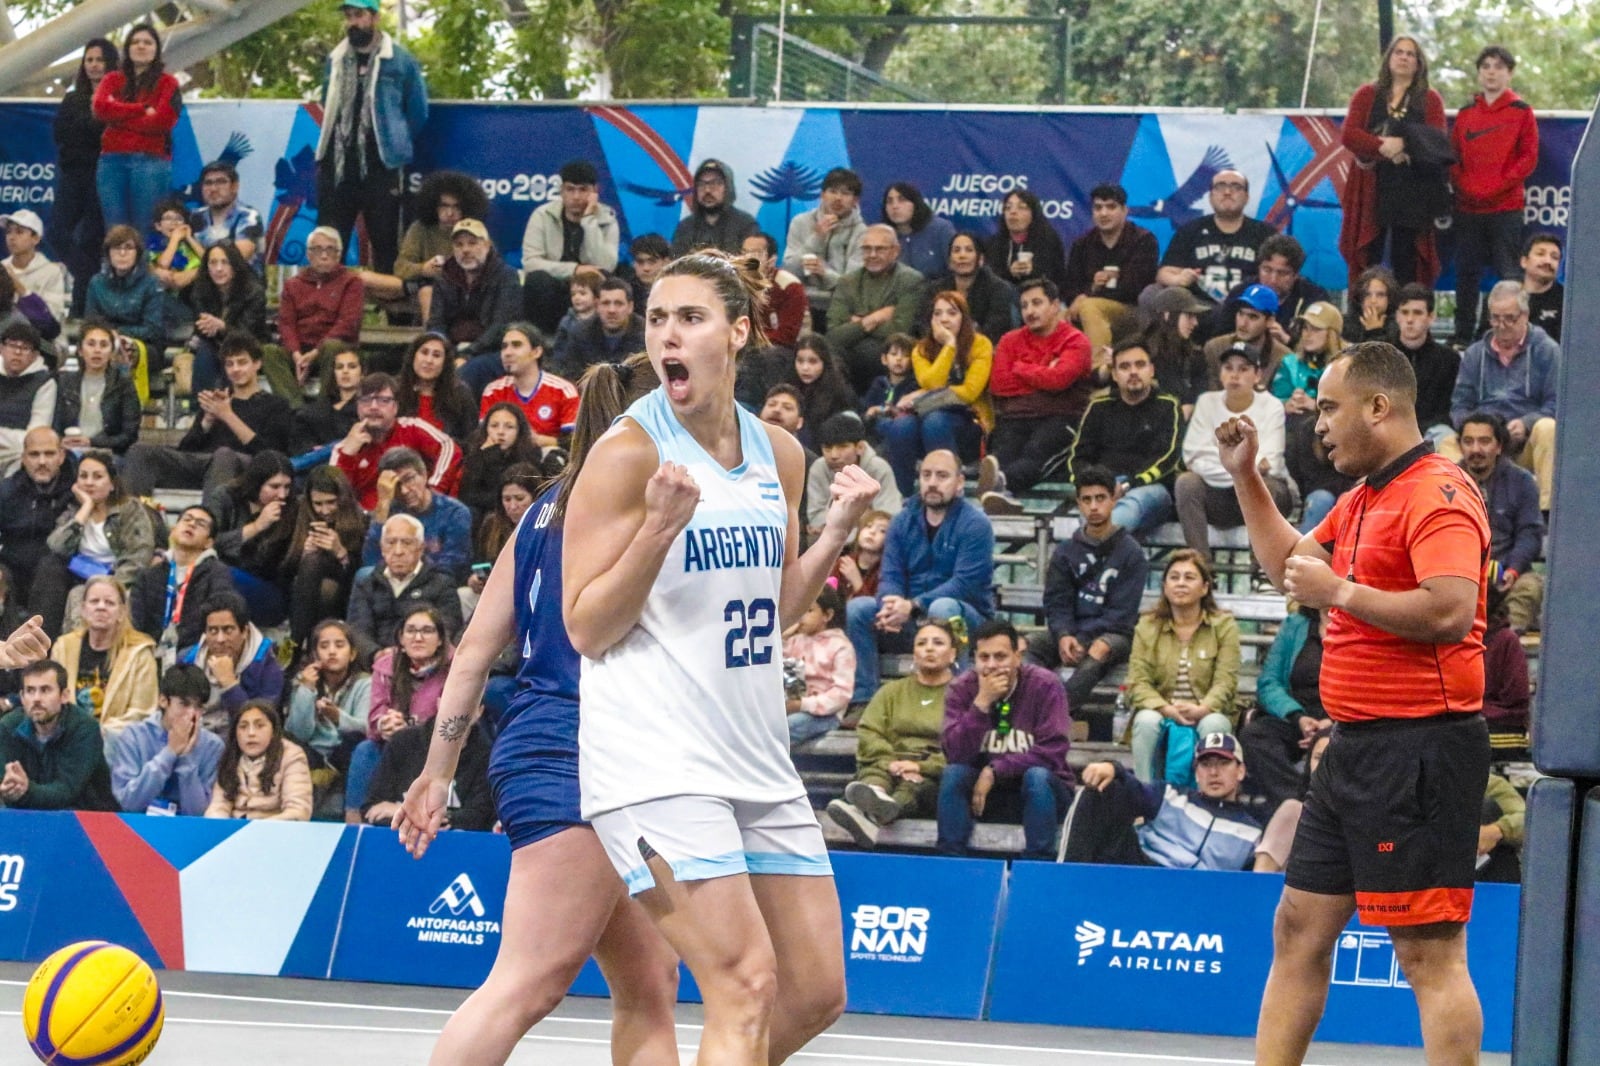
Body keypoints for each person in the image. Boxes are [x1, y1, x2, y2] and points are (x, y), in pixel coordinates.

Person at [560, 249, 881, 1063]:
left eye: (690, 317)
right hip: (656, 763)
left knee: (814, 990)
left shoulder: (780, 453)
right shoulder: (629, 454)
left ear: (737, 333)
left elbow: (775, 609)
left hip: (754, 757)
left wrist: (838, 532)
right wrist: (659, 529)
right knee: (741, 981)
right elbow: (586, 627)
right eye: (658, 318)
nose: (668, 334)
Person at [394, 352, 680, 1065]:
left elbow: (472, 654)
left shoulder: (546, 507)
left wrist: (437, 771)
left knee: (651, 981)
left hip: (582, 748)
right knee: (527, 982)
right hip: (578, 750)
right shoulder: (651, 504)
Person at [1215, 341, 1492, 1063]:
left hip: (1422, 750)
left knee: (1429, 955)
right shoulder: (1362, 498)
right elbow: (1289, 569)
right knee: (1298, 926)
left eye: (1331, 408)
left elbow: (1450, 612)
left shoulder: (1440, 493)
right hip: (1353, 748)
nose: (1320, 425)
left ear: (1380, 406)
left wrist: (1338, 592)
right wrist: (1247, 478)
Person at [847, 449, 993, 705]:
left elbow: (965, 584)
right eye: (926, 475)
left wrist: (913, 605)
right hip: (910, 620)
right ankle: (862, 700)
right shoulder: (902, 521)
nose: (933, 482)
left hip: (964, 622)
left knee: (944, 607)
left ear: (959, 483)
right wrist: (890, 604)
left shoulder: (976, 524)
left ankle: (954, 701)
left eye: (942, 476)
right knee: (859, 609)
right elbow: (890, 575)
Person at [938, 618, 1074, 860]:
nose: (992, 665)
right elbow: (955, 754)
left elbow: (1053, 750)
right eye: (984, 658)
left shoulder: (1045, 685)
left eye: (1000, 657)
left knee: (1038, 777)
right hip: (986, 796)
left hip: (1042, 793)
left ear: (1017, 657)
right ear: (975, 660)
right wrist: (981, 704)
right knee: (954, 775)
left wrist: (995, 770)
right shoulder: (962, 689)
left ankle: (1037, 869)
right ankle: (951, 865)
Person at [315, 0, 429, 276]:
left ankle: (395, 314)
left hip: (381, 164)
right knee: (329, 240)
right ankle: (325, 308)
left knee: (386, 241)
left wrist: (394, 140)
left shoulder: (400, 60)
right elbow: (325, 100)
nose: (353, 22)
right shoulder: (336, 59)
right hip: (339, 164)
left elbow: (417, 112)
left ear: (375, 17)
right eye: (349, 16)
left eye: (359, 15)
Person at [824, 617, 955, 847]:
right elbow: (869, 730)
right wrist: (890, 763)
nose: (929, 649)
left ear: (953, 654)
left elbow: (964, 744)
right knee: (874, 778)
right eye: (922, 643)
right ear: (914, 653)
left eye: (938, 643)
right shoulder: (892, 691)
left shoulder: (961, 694)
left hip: (931, 774)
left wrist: (920, 766)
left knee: (912, 785)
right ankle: (874, 798)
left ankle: (868, 814)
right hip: (888, 764)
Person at [1029, 467, 1149, 718]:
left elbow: (1121, 614)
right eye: (1087, 499)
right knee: (1026, 646)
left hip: (1113, 634)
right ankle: (1029, 706)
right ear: (1079, 503)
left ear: (1113, 499)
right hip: (1071, 631)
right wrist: (1063, 634)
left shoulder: (1132, 553)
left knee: (1100, 649)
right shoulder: (1065, 552)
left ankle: (1054, 716)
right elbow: (1056, 601)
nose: (1094, 507)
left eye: (1100, 498)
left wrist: (1082, 639)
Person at [122, 331, 292, 497]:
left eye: (242, 363)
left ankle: (212, 521)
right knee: (140, 451)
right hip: (203, 465)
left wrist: (228, 416)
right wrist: (207, 421)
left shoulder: (276, 405)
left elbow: (270, 454)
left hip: (244, 469)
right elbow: (186, 449)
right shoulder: (217, 401)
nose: (236, 369)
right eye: (230, 364)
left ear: (257, 364)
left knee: (224, 455)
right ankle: (130, 518)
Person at [1338, 35, 1448, 290]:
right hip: (1371, 187)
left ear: (1419, 63)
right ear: (1388, 58)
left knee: (1407, 260)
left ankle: (1406, 320)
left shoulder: (1430, 99)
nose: (1404, 57)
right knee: (1369, 257)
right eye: (1398, 52)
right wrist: (1382, 147)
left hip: (1412, 191)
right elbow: (1350, 134)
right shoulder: (1367, 94)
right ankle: (1364, 318)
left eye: (1411, 54)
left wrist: (1405, 146)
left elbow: (1436, 141)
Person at [1126, 550, 1240, 787]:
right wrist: (1165, 708)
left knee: (1215, 724)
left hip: (1207, 710)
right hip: (1162, 710)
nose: (1180, 583)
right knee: (1146, 721)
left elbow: (1225, 681)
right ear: (1165, 587)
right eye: (1174, 577)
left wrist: (1203, 708)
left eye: (1189, 577)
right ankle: (1144, 798)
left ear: (1205, 587)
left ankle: (1205, 798)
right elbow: (1138, 681)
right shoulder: (1148, 626)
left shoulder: (1224, 625)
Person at [1065, 732, 1261, 869]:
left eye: (1224, 763)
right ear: (1197, 773)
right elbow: (1133, 789)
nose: (1214, 772)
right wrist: (1113, 767)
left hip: (1199, 899)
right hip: (1142, 872)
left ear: (1241, 771)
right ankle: (1066, 880)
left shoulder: (1253, 833)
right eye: (1205, 764)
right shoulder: (1170, 794)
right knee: (1104, 789)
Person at [1450, 45, 1538, 345]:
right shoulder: (1465, 114)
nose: (1491, 71)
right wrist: (1465, 187)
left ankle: (1508, 336)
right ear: (1479, 73)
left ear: (1509, 73)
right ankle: (1463, 336)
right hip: (1467, 209)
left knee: (1508, 275)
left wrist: (1496, 187)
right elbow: (1454, 159)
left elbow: (1528, 158)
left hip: (1506, 209)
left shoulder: (1521, 112)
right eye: (1486, 66)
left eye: (1498, 66)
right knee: (1466, 274)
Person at [980, 278, 1093, 506]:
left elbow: (1059, 380)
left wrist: (1021, 368)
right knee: (1001, 454)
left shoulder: (1076, 341)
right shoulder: (1009, 340)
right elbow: (1000, 384)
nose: (1029, 311)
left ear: (1055, 306)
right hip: (1016, 417)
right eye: (1024, 306)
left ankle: (1003, 486)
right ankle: (999, 491)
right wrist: (1045, 373)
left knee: (1036, 451)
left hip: (1061, 417)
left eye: (1036, 303)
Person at [1176, 344, 1292, 562]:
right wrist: (1245, 467)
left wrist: (1227, 463)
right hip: (1219, 496)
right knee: (1186, 483)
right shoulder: (1206, 402)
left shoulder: (1272, 406)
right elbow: (1192, 456)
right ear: (1220, 374)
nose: (1234, 375)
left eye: (1243, 369)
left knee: (1267, 485)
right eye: (1228, 368)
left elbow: (1271, 463)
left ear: (1257, 375)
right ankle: (1201, 568)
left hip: (1260, 494)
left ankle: (1261, 570)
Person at [1449, 280, 1558, 511]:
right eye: (1496, 318)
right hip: (1483, 441)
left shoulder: (1547, 350)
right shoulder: (1474, 354)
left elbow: (1556, 404)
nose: (1502, 325)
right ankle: (1453, 512)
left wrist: (1527, 423)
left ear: (1525, 315)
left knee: (1549, 429)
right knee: (1446, 443)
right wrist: (1476, 430)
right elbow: (1459, 406)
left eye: (1510, 318)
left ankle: (1546, 514)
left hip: (1525, 442)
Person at [878, 290, 993, 495]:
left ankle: (949, 495)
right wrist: (948, 346)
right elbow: (931, 381)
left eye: (952, 313)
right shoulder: (921, 349)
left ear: (964, 318)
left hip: (970, 422)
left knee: (936, 422)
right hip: (927, 416)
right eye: (937, 314)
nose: (944, 319)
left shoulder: (981, 345)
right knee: (901, 426)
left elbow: (969, 393)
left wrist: (922, 397)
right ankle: (899, 499)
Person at [346, 604, 453, 822]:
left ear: (441, 639)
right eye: (411, 630)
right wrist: (384, 724)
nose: (418, 637)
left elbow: (453, 723)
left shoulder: (454, 668)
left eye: (427, 630)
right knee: (365, 750)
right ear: (401, 638)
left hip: (436, 749)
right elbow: (374, 719)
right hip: (394, 748)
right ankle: (353, 826)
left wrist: (412, 730)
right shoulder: (385, 667)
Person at [34, 450, 157, 638]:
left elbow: (139, 556)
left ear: (112, 484)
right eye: (83, 476)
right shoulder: (73, 510)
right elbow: (56, 547)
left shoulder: (130, 509)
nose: (89, 482)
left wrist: (109, 586)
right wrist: (86, 508)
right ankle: (63, 652)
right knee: (59, 577)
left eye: (97, 476)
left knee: (89, 597)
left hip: (119, 580)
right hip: (80, 580)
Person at [1066, 341, 1183, 536]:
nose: (1133, 372)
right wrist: (1094, 486)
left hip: (1149, 490)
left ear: (1151, 370)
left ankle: (1092, 548)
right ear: (1114, 375)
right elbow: (1078, 456)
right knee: (1092, 507)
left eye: (1140, 365)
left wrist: (1128, 484)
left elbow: (1168, 457)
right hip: (1102, 488)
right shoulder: (1098, 407)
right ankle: (1100, 556)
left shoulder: (1168, 406)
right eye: (1124, 367)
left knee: (1125, 507)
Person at [1238, 605, 1330, 815]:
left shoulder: (1361, 623)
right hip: (1296, 717)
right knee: (1254, 736)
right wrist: (1297, 717)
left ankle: (1295, 810)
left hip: (1341, 720)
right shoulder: (1295, 624)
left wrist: (1331, 722)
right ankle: (1301, 805)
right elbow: (1268, 682)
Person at [363, 170, 487, 324]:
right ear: (434, 206)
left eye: (456, 207)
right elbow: (400, 267)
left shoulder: (473, 230)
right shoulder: (420, 228)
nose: (450, 213)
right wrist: (424, 268)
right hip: (416, 284)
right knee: (362, 278)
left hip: (455, 289)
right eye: (444, 206)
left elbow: (485, 267)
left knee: (427, 292)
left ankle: (434, 337)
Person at [1459, 411, 1544, 633]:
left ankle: (1506, 640)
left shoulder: (1522, 481)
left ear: (1499, 446)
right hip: (1460, 576)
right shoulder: (1446, 481)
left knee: (1531, 587)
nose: (1476, 449)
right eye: (1468, 442)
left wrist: (1513, 570)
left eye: (1484, 441)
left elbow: (1530, 533)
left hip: (1508, 574)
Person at [91, 24, 180, 233]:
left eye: (147, 42)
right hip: (111, 162)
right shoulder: (111, 79)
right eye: (135, 42)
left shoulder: (169, 83)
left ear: (156, 49)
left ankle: (145, 268)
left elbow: (162, 122)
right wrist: (142, 109)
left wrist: (118, 116)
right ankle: (114, 268)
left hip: (151, 162)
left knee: (146, 229)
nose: (141, 46)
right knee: (114, 231)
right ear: (127, 48)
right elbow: (101, 108)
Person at [50, 574, 159, 744]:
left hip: (117, 743)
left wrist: (97, 733)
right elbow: (52, 699)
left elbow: (142, 713)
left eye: (109, 603)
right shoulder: (63, 648)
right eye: (94, 601)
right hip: (67, 740)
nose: (101, 607)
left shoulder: (140, 653)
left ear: (122, 612)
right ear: (84, 609)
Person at [0, 659, 118, 811]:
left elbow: (66, 791)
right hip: (25, 816)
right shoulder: (8, 727)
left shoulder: (85, 728)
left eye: (45, 690)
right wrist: (8, 786)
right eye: (30, 690)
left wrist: (26, 790)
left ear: (64, 696)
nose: (36, 698)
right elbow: (5, 780)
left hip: (87, 819)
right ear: (22, 698)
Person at [53, 38, 116, 317]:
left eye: (99, 60)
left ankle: (81, 309)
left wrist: (90, 126)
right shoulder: (72, 98)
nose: (93, 65)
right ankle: (90, 278)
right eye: (89, 60)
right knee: (57, 231)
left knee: (92, 239)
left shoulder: (119, 98)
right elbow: (61, 134)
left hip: (103, 173)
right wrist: (91, 124)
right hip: (73, 174)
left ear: (110, 63)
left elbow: (105, 136)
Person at [334, 371, 462, 509]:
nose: (373, 407)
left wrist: (433, 490)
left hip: (415, 511)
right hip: (367, 520)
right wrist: (347, 455)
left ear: (395, 407)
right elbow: (334, 496)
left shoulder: (411, 428)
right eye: (366, 400)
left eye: (383, 400)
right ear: (357, 408)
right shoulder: (344, 448)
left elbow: (450, 448)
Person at [520, 159, 619, 334]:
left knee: (615, 279)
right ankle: (539, 339)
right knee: (537, 280)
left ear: (595, 192)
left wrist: (589, 220)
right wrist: (575, 269)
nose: (576, 197)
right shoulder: (542, 215)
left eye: (583, 190)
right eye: (570, 189)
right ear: (561, 191)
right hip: (555, 286)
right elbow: (531, 263)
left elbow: (606, 266)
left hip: (588, 289)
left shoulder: (607, 219)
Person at [108, 663, 222, 816]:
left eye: (198, 707)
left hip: (189, 831)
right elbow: (128, 802)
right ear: (163, 701)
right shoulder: (133, 736)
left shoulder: (213, 746)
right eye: (184, 704)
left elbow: (200, 813)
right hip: (139, 826)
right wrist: (169, 753)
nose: (192, 714)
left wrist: (186, 758)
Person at [824, 224, 926, 393]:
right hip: (849, 353)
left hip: (890, 354)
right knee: (827, 352)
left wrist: (855, 324)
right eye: (867, 249)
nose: (872, 255)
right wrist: (873, 320)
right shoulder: (847, 282)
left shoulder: (910, 280)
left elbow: (900, 330)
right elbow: (833, 334)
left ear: (895, 251)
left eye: (880, 249)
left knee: (866, 353)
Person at [1063, 183, 1160, 359]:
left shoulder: (1143, 240)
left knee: (1089, 307)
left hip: (1133, 312)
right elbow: (1070, 288)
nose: (1104, 213)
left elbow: (1135, 288)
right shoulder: (1082, 243)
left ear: (1125, 210)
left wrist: (1091, 294)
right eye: (1098, 208)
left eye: (1111, 207)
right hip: (1090, 306)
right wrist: (1087, 291)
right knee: (1055, 316)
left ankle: (1100, 371)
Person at [1153, 169, 1276, 306]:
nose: (1227, 192)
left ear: (1247, 197)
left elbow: (1278, 275)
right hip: (1197, 308)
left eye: (1236, 187)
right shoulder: (1190, 230)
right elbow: (1164, 273)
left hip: (1248, 308)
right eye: (1220, 186)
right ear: (1210, 196)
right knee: (1152, 293)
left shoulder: (1266, 234)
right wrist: (1179, 279)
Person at [202, 450, 295, 626]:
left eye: (287, 487)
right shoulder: (225, 497)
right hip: (219, 576)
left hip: (267, 591)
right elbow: (207, 541)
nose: (282, 495)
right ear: (256, 483)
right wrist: (256, 527)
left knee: (221, 573)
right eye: (274, 487)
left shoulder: (291, 509)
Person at [128, 504, 235, 655]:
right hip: (149, 650)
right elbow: (135, 622)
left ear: (209, 542)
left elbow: (216, 620)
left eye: (200, 524)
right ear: (174, 530)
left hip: (195, 652)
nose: (191, 524)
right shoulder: (148, 575)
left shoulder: (217, 573)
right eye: (187, 519)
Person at [279, 466, 368, 647]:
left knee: (324, 582)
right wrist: (302, 553)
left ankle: (293, 644)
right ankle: (305, 644)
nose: (325, 510)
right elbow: (282, 573)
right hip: (306, 592)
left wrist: (341, 553)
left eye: (331, 502)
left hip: (346, 595)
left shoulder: (362, 521)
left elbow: (363, 577)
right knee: (314, 567)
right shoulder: (298, 516)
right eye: (318, 504)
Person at [348, 514, 463, 652]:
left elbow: (448, 629)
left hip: (425, 661)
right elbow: (358, 631)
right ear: (382, 549)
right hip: (376, 663)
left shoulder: (441, 582)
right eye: (391, 543)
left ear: (420, 548)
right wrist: (376, 655)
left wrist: (408, 656)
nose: (398, 551)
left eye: (407, 543)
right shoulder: (367, 583)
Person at [360, 448, 472, 582]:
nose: (404, 490)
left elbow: (453, 564)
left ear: (424, 475)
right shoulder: (388, 512)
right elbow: (371, 560)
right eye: (396, 485)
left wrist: (411, 576)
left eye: (409, 479)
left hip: (435, 585)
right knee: (364, 575)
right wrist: (383, 503)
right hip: (393, 582)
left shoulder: (454, 512)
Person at [175, 592, 285, 727]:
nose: (220, 639)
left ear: (244, 631)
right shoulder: (186, 661)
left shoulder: (266, 664)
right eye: (213, 631)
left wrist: (229, 684)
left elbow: (259, 724)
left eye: (228, 630)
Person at [278, 226, 364, 392]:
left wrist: (317, 351)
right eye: (317, 250)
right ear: (309, 254)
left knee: (332, 346)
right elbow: (286, 324)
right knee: (270, 353)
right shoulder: (293, 285)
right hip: (301, 350)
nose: (324, 255)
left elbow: (347, 323)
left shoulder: (351, 282)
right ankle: (292, 407)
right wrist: (296, 355)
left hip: (333, 349)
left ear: (339, 254)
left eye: (330, 250)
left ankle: (324, 404)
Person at [428, 219, 523, 367]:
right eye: (459, 244)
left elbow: (501, 326)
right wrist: (445, 352)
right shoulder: (444, 278)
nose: (465, 250)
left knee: (469, 371)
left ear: (487, 245)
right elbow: (436, 323)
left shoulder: (506, 276)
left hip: (490, 350)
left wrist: (468, 354)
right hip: (450, 350)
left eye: (472, 243)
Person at [1210, 233, 1333, 348]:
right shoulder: (1241, 293)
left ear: (1296, 275)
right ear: (1259, 268)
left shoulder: (1313, 298)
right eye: (1267, 270)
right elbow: (1221, 336)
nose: (1273, 280)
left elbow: (1326, 347)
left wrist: (1287, 341)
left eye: (1282, 273)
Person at [284, 618, 372, 776]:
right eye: (324, 646)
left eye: (339, 645)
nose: (332, 651)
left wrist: (338, 717)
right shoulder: (302, 681)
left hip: (345, 757)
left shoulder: (365, 683)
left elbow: (366, 728)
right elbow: (299, 734)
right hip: (310, 755)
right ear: (315, 655)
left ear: (352, 654)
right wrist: (306, 690)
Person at [0, 429, 76, 606]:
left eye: (49, 454)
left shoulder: (76, 490)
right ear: (23, 458)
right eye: (34, 455)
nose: (42, 462)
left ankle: (40, 634)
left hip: (57, 573)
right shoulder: (7, 491)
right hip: (11, 568)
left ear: (61, 456)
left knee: (50, 570)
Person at [784, 167, 867, 324]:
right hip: (801, 304)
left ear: (855, 200)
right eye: (833, 191)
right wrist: (817, 237)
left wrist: (824, 273)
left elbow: (853, 285)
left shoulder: (862, 233)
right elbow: (788, 271)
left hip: (839, 308)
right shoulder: (800, 222)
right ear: (822, 195)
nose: (838, 198)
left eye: (845, 193)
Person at [205, 699, 311, 820]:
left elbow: (298, 812)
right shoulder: (231, 756)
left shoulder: (292, 756)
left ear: (273, 731)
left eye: (259, 726)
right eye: (243, 727)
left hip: (276, 832)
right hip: (235, 832)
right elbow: (218, 806)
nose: (251, 733)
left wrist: (255, 830)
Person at [183, 241, 268, 394]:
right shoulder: (200, 290)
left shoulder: (254, 292)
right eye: (213, 263)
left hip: (248, 344)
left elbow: (247, 333)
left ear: (235, 265)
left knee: (231, 353)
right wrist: (207, 328)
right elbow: (201, 327)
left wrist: (222, 326)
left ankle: (232, 407)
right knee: (205, 353)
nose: (218, 269)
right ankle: (203, 409)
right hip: (212, 343)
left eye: (225, 262)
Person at [478, 324, 578, 449]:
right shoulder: (493, 391)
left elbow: (575, 442)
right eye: (504, 347)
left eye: (516, 345)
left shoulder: (563, 390)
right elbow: (482, 437)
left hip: (546, 460)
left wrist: (539, 440)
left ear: (536, 352)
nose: (507, 353)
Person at [804, 414, 900, 539]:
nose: (833, 455)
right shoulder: (819, 468)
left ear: (860, 447)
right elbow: (816, 519)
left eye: (842, 447)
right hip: (832, 540)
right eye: (827, 448)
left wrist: (840, 520)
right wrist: (863, 514)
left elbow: (887, 518)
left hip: (870, 540)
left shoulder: (879, 468)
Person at [783, 584, 855, 747]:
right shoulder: (795, 641)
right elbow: (774, 666)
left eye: (808, 611)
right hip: (791, 707)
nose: (801, 617)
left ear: (827, 615)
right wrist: (782, 638)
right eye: (798, 611)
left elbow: (841, 694)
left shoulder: (840, 646)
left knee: (783, 729)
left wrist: (802, 704)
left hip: (824, 715)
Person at [1392, 284, 1460, 450]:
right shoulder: (1383, 355)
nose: (1410, 319)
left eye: (1417, 313)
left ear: (1431, 317)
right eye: (1405, 312)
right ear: (1397, 316)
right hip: (1388, 430)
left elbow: (1450, 408)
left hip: (1433, 431)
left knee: (1448, 439)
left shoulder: (1449, 359)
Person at [84, 225, 164, 364]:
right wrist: (109, 337)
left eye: (128, 248)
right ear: (108, 253)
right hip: (105, 341)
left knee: (123, 353)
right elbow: (90, 322)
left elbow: (153, 329)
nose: (122, 253)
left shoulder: (151, 283)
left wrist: (119, 332)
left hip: (145, 344)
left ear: (138, 253)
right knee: (93, 350)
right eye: (116, 248)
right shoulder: (96, 282)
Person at [918, 230, 1016, 343]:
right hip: (939, 346)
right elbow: (922, 324)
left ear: (980, 260)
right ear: (949, 261)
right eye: (956, 250)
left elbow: (995, 329)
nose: (962, 255)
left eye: (969, 250)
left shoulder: (998, 289)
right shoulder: (935, 289)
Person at [552, 277, 646, 383]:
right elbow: (570, 374)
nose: (612, 310)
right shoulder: (579, 333)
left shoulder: (646, 334)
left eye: (618, 303)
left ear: (630, 307)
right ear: (597, 306)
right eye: (606, 303)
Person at [460, 407, 543, 522]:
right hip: (485, 515)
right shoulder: (476, 453)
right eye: (494, 426)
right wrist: (488, 455)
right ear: (485, 429)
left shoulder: (531, 453)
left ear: (519, 430)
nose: (501, 432)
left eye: (509, 427)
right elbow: (467, 495)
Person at [1202, 282, 1290, 390]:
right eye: (1240, 313)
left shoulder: (1283, 359)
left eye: (1253, 317)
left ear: (1270, 321)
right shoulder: (1215, 348)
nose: (1243, 323)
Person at [0, 321, 59, 475]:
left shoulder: (45, 382)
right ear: (1, 348)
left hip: (17, 454)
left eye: (25, 348)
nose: (17, 352)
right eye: (12, 345)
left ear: (35, 355)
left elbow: (35, 436)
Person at [396, 331, 477, 441]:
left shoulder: (460, 395)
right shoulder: (395, 391)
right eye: (424, 353)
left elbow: (470, 440)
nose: (429, 360)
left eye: (436, 355)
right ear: (413, 356)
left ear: (445, 363)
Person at [1141, 286, 1209, 416]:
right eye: (1189, 316)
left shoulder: (1195, 355)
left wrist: (1190, 404)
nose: (1195, 323)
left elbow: (1202, 392)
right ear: (1168, 316)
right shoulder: (1142, 352)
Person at [984, 189, 1067, 295]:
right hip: (1005, 299)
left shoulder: (1047, 239)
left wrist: (1033, 270)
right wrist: (1010, 272)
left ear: (1033, 214)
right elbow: (989, 279)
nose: (1012, 212)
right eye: (1008, 208)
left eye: (1021, 207)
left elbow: (1057, 277)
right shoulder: (994, 243)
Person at [670, 158, 758, 256]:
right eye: (701, 184)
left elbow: (750, 264)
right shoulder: (686, 227)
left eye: (715, 183)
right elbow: (677, 265)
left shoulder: (745, 224)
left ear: (728, 188)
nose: (707, 190)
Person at [290, 343, 364, 458]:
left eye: (352, 366)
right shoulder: (320, 406)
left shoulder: (367, 407)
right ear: (334, 373)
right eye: (339, 367)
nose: (345, 371)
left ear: (362, 373)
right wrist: (311, 448)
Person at [785, 334, 856, 451]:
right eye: (800, 361)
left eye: (813, 362)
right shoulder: (787, 388)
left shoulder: (840, 394)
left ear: (824, 362)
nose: (805, 368)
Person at [187, 160, 264, 268]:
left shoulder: (249, 217)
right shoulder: (194, 216)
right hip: (202, 283)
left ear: (235, 187)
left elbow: (232, 261)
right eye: (208, 183)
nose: (213, 189)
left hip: (241, 283)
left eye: (221, 182)